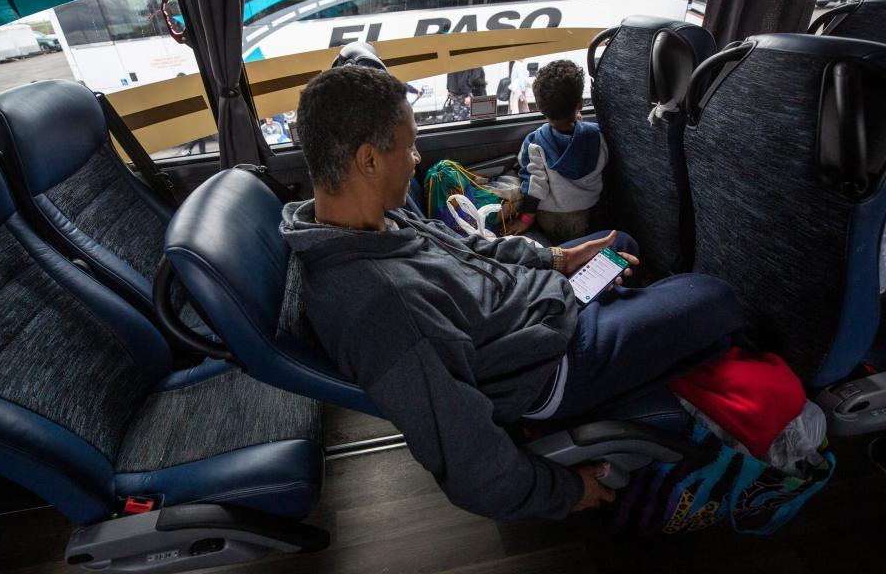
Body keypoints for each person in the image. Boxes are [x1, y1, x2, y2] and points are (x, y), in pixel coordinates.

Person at [279, 65, 745, 521]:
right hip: (549, 364)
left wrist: (558, 261)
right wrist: (566, 490)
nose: (417, 158)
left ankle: (629, 321)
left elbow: (469, 250)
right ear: (369, 160)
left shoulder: (372, 220)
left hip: (533, 305)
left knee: (619, 245)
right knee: (715, 296)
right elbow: (469, 460)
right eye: (411, 146)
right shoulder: (380, 309)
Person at [507, 60, 606, 242]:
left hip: (548, 217)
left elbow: (534, 186)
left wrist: (526, 219)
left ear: (538, 106)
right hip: (582, 214)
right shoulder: (598, 136)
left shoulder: (534, 142)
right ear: (579, 105)